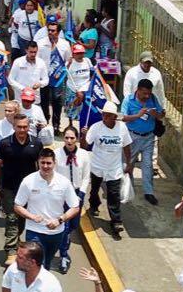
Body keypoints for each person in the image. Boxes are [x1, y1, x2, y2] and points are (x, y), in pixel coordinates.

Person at [13, 148, 80, 271]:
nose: (45, 166)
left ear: (54, 163)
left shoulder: (64, 182)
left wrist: (60, 220)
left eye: (49, 163)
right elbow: (17, 206)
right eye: (42, 163)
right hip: (34, 231)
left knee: (46, 265)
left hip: (56, 233)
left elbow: (75, 207)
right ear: (38, 163)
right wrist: (32, 217)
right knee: (38, 266)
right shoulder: (28, 181)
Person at [0, 113, 43, 265]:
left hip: (30, 190)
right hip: (9, 188)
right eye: (19, 127)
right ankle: (11, 251)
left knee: (22, 219)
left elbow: (42, 166)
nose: (22, 130)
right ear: (14, 127)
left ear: (29, 127)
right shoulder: (4, 144)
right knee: (12, 218)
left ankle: (16, 239)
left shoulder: (37, 143)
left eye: (25, 127)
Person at [85, 101, 132, 235]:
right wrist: (83, 134)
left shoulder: (122, 128)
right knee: (94, 189)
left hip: (114, 168)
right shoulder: (95, 127)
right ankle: (94, 204)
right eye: (104, 115)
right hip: (97, 165)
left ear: (114, 117)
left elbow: (127, 146)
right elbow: (85, 145)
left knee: (114, 195)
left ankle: (116, 220)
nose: (105, 117)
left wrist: (129, 163)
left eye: (108, 115)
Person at [120, 78, 165, 205]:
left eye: (149, 93)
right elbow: (122, 117)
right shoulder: (129, 100)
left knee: (147, 165)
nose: (147, 96)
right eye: (144, 93)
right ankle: (128, 189)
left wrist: (156, 114)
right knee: (128, 164)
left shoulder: (153, 99)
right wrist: (138, 115)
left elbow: (161, 115)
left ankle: (149, 192)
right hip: (132, 137)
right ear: (138, 90)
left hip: (148, 138)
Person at [57, 126, 90, 274]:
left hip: (77, 194)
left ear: (76, 139)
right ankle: (63, 254)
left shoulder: (83, 155)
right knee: (64, 225)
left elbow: (86, 176)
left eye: (72, 138)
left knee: (73, 225)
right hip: (62, 195)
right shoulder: (57, 155)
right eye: (66, 138)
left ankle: (65, 238)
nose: (69, 141)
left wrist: (81, 193)